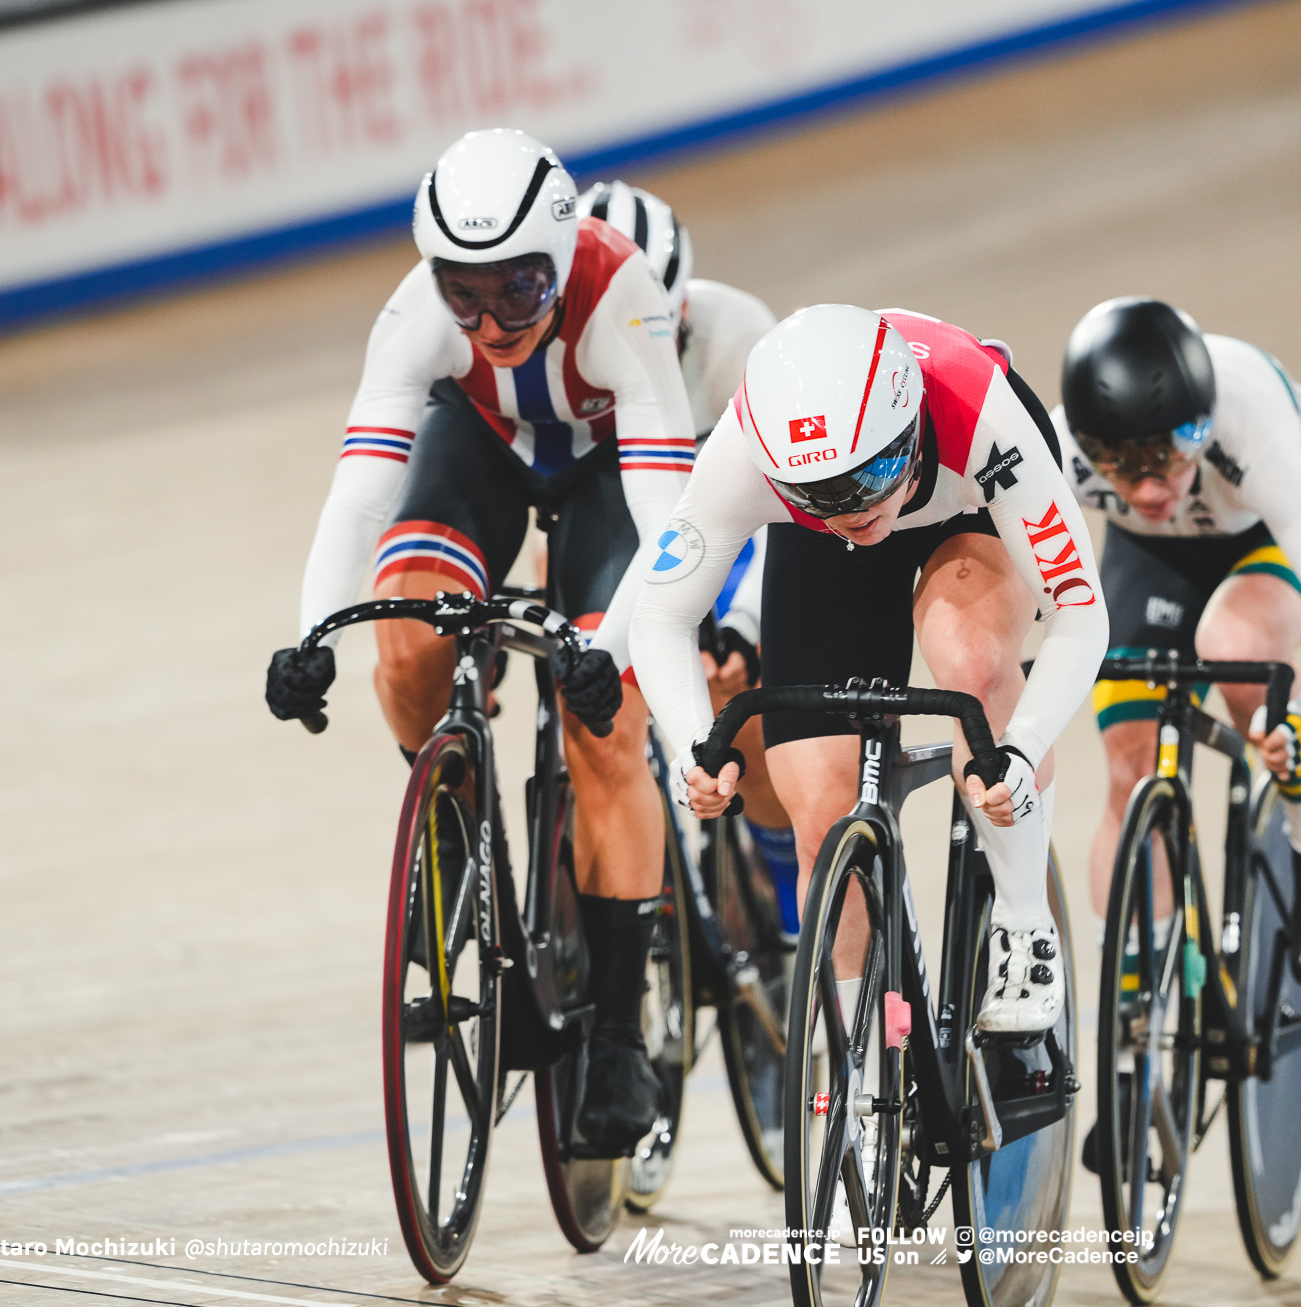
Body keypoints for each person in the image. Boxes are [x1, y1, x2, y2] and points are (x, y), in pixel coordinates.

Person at [261, 129, 697, 1156]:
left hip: (608, 482)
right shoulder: (416, 314)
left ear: (562, 253)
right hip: (487, 456)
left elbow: (670, 518)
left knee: (606, 725)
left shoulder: (623, 291)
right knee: (406, 645)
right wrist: (312, 632)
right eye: (467, 294)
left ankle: (623, 1037)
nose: (493, 321)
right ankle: (455, 835)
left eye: (520, 289)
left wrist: (612, 645)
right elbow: (362, 487)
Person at [626, 304, 1109, 1035]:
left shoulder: (980, 411)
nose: (860, 509)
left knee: (969, 663)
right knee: (820, 811)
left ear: (912, 421)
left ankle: (1021, 918)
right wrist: (696, 740)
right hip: (821, 543)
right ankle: (857, 1050)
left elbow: (1081, 613)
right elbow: (660, 614)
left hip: (965, 502)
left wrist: (1025, 742)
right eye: (827, 494)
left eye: (875, 474)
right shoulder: (750, 451)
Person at [1055, 298, 1301, 985]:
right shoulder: (1060, 446)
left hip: (1274, 520)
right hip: (1157, 552)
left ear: (1201, 428)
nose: (1148, 485)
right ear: (1090, 447)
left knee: (1233, 642)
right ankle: (1137, 1009)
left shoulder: (1249, 424)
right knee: (1131, 767)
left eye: (1167, 459)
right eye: (1120, 465)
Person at [579, 179, 801, 934]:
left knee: (747, 711)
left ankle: (783, 892)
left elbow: (781, 507)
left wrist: (740, 623)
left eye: (662, 333)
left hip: (739, 530)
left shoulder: (738, 336)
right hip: (633, 528)